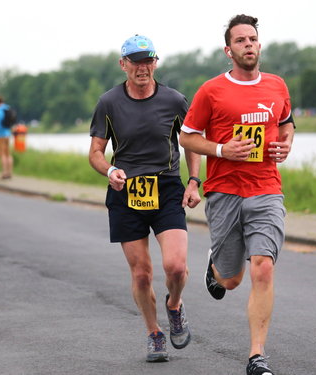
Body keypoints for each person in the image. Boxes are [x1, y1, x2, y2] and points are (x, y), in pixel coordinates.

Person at [179, 14, 295, 375]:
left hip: (266, 189)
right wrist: (221, 151)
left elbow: (287, 124)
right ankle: (216, 267)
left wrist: (286, 145)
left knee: (263, 268)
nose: (248, 45)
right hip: (225, 192)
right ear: (228, 50)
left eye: (252, 39)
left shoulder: (277, 86)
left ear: (259, 45)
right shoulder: (211, 90)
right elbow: (187, 136)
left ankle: (256, 356)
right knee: (231, 280)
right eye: (240, 40)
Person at [89, 35, 201, 362]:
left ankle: (174, 305)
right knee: (141, 274)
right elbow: (95, 152)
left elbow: (192, 143)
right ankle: (154, 332)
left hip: (166, 187)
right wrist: (110, 171)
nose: (143, 67)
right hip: (126, 192)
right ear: (122, 64)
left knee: (176, 267)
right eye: (135, 61)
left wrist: (193, 181)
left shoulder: (175, 100)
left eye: (148, 60)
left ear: (156, 62)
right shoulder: (108, 103)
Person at [0, 95, 13, 179]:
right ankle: (10, 173)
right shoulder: (7, 109)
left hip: (0, 135)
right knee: (8, 154)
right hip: (8, 134)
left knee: (2, 154)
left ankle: (4, 173)